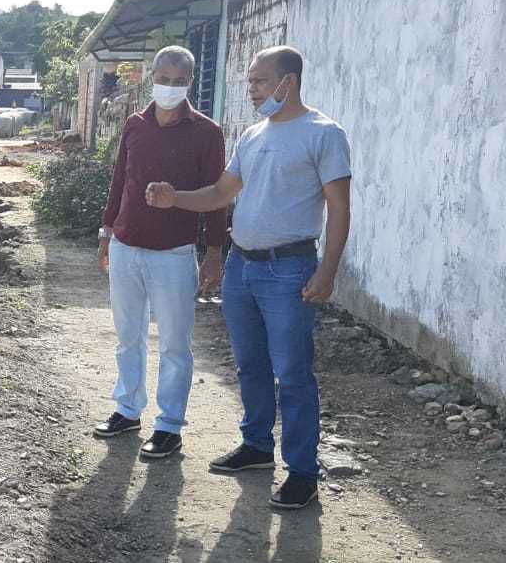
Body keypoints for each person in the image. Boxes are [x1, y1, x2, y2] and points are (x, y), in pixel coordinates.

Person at [145, 46, 352, 509]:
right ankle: (257, 446)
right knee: (250, 365)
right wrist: (174, 198)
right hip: (243, 266)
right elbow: (221, 192)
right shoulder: (253, 136)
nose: (252, 90)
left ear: (288, 82)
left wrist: (328, 269)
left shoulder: (324, 134)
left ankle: (302, 472)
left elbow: (339, 207)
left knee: (293, 374)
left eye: (259, 81)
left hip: (289, 268)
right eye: (251, 82)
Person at [93, 45, 228, 460]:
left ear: (191, 82)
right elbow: (120, 181)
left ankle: (169, 426)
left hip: (174, 252)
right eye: (163, 79)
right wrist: (106, 233)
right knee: (127, 335)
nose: (169, 88)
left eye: (178, 81)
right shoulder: (135, 125)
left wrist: (214, 251)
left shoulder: (207, 132)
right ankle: (127, 409)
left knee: (174, 343)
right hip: (126, 246)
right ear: (152, 77)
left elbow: (218, 196)